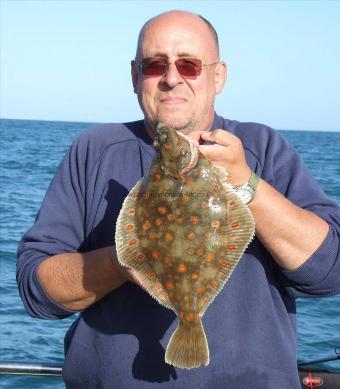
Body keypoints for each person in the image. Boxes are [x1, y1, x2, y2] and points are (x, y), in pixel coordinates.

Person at [17, 10, 340, 389]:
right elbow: (36, 291)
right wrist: (126, 261)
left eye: (189, 64)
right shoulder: (94, 150)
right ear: (135, 76)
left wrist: (246, 184)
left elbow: (329, 272)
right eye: (155, 65)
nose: (172, 78)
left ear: (218, 75)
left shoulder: (264, 148)